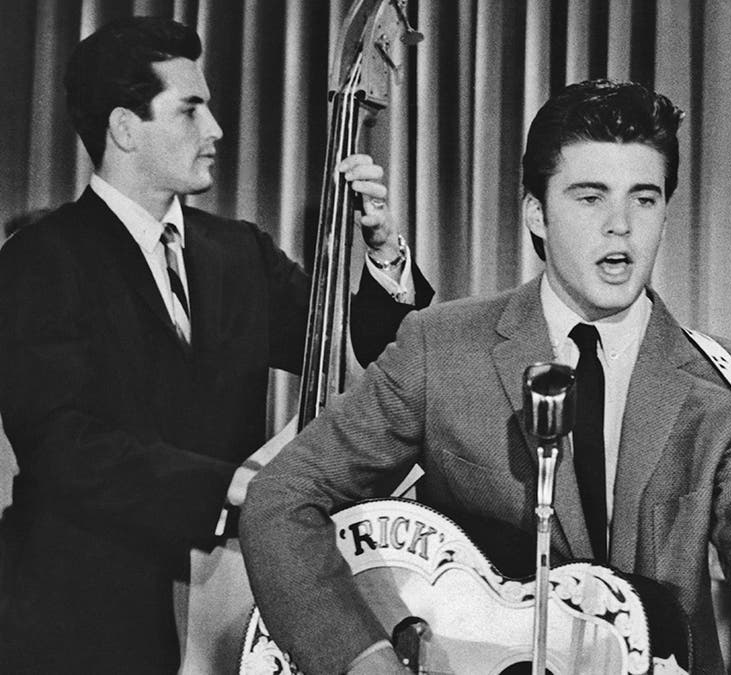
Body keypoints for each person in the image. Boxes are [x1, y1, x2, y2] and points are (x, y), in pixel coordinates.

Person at [240, 79, 731, 675]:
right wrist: (362, 660)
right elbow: (281, 498)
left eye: (643, 199)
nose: (619, 225)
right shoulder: (441, 350)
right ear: (537, 214)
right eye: (590, 197)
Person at [0, 16, 432, 674]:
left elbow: (353, 351)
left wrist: (382, 257)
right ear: (124, 128)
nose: (216, 131)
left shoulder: (240, 253)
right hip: (77, 620)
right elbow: (65, 446)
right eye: (191, 110)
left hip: (226, 608)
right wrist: (241, 485)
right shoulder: (38, 260)